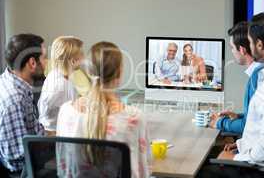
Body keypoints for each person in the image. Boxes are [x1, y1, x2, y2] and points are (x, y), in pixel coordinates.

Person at [198, 13, 264, 178]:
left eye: (251, 42)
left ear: (259, 45)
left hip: (257, 171)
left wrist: (241, 156)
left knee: (197, 170)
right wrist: (242, 144)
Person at [56, 41, 151, 178]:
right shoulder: (134, 118)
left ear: (88, 71)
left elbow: (63, 168)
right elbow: (142, 172)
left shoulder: (66, 112)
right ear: (119, 73)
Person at [0, 34, 46, 177]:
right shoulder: (14, 100)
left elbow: (34, 131)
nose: (47, 62)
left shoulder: (10, 81)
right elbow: (17, 158)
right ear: (32, 63)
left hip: (33, 153)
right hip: (23, 172)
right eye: (44, 58)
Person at [209, 22, 264, 134]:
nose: (232, 52)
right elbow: (258, 117)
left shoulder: (257, 78)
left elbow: (248, 126)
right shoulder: (263, 71)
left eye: (232, 48)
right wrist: (238, 116)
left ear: (242, 50)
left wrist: (220, 123)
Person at [38, 36, 84, 135]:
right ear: (72, 60)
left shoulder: (57, 75)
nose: (84, 57)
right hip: (56, 136)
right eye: (81, 54)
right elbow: (47, 116)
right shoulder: (60, 85)